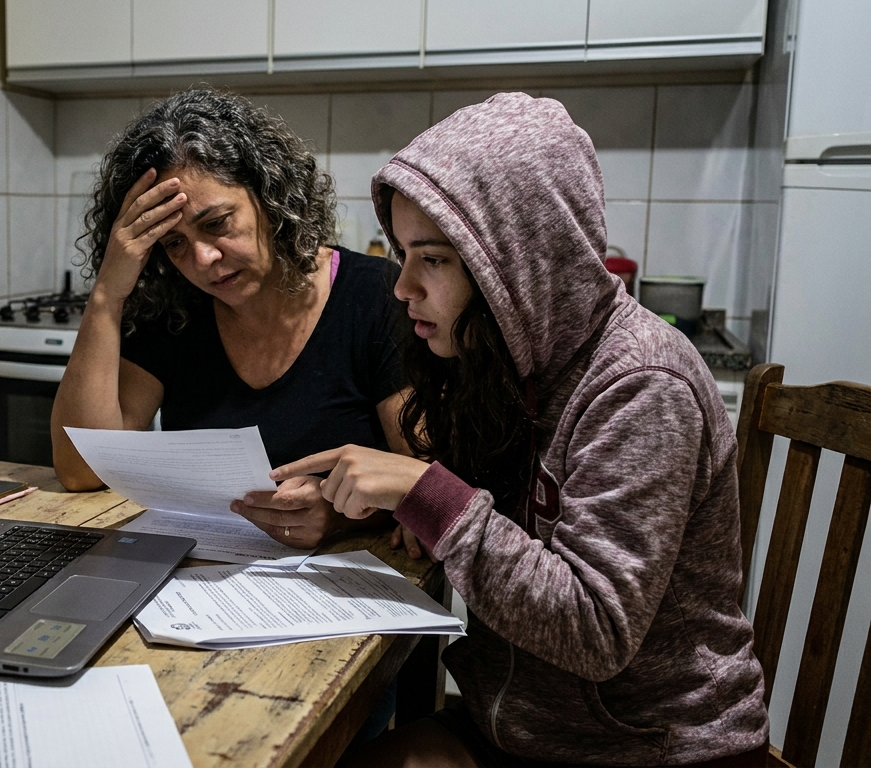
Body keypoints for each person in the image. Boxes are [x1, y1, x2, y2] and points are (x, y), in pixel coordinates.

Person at [277, 93, 769, 767]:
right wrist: (382, 503)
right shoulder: (507, 363)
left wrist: (427, 493)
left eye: (434, 259)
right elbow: (480, 526)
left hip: (645, 750)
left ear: (518, 262)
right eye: (403, 254)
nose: (403, 287)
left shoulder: (643, 383)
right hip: (518, 731)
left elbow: (597, 631)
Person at [51, 89, 416, 551]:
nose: (203, 259)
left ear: (270, 196)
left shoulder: (376, 296)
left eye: (216, 223)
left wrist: (343, 515)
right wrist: (107, 294)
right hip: (202, 574)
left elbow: (426, 481)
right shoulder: (173, 308)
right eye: (174, 243)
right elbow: (81, 471)